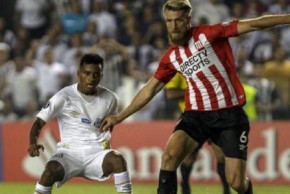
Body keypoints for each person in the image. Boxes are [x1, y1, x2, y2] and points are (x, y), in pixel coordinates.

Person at [100, 0, 290, 193]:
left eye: (178, 20)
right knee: (169, 157)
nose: (173, 26)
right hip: (196, 115)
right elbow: (150, 89)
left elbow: (254, 23)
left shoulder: (209, 34)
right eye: (169, 21)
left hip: (229, 115)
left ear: (188, 20)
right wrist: (120, 116)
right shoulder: (170, 58)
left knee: (237, 182)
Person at [28, 53, 132, 194]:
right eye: (87, 73)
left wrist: (104, 141)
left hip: (97, 154)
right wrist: (32, 142)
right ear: (79, 74)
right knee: (49, 171)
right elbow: (38, 123)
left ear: (101, 76)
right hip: (69, 153)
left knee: (118, 160)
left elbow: (109, 124)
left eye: (96, 75)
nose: (91, 78)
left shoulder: (110, 98)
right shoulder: (63, 96)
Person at [164, 73, 231, 194]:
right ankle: (185, 189)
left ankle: (226, 191)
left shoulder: (208, 66)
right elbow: (170, 94)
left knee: (221, 154)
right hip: (192, 116)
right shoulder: (178, 69)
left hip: (214, 113)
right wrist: (197, 90)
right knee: (188, 157)